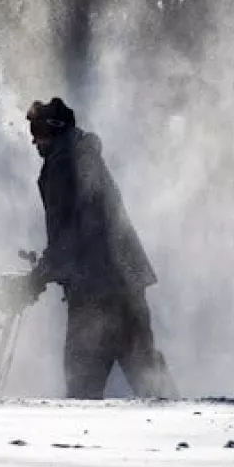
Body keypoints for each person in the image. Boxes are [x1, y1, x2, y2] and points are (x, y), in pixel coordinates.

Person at [23, 97, 178, 400]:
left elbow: (66, 240)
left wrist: (33, 281)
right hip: (128, 285)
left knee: (81, 388)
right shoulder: (85, 156)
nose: (33, 140)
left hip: (95, 294)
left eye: (37, 130)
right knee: (150, 381)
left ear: (52, 129)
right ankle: (187, 438)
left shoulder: (62, 164)